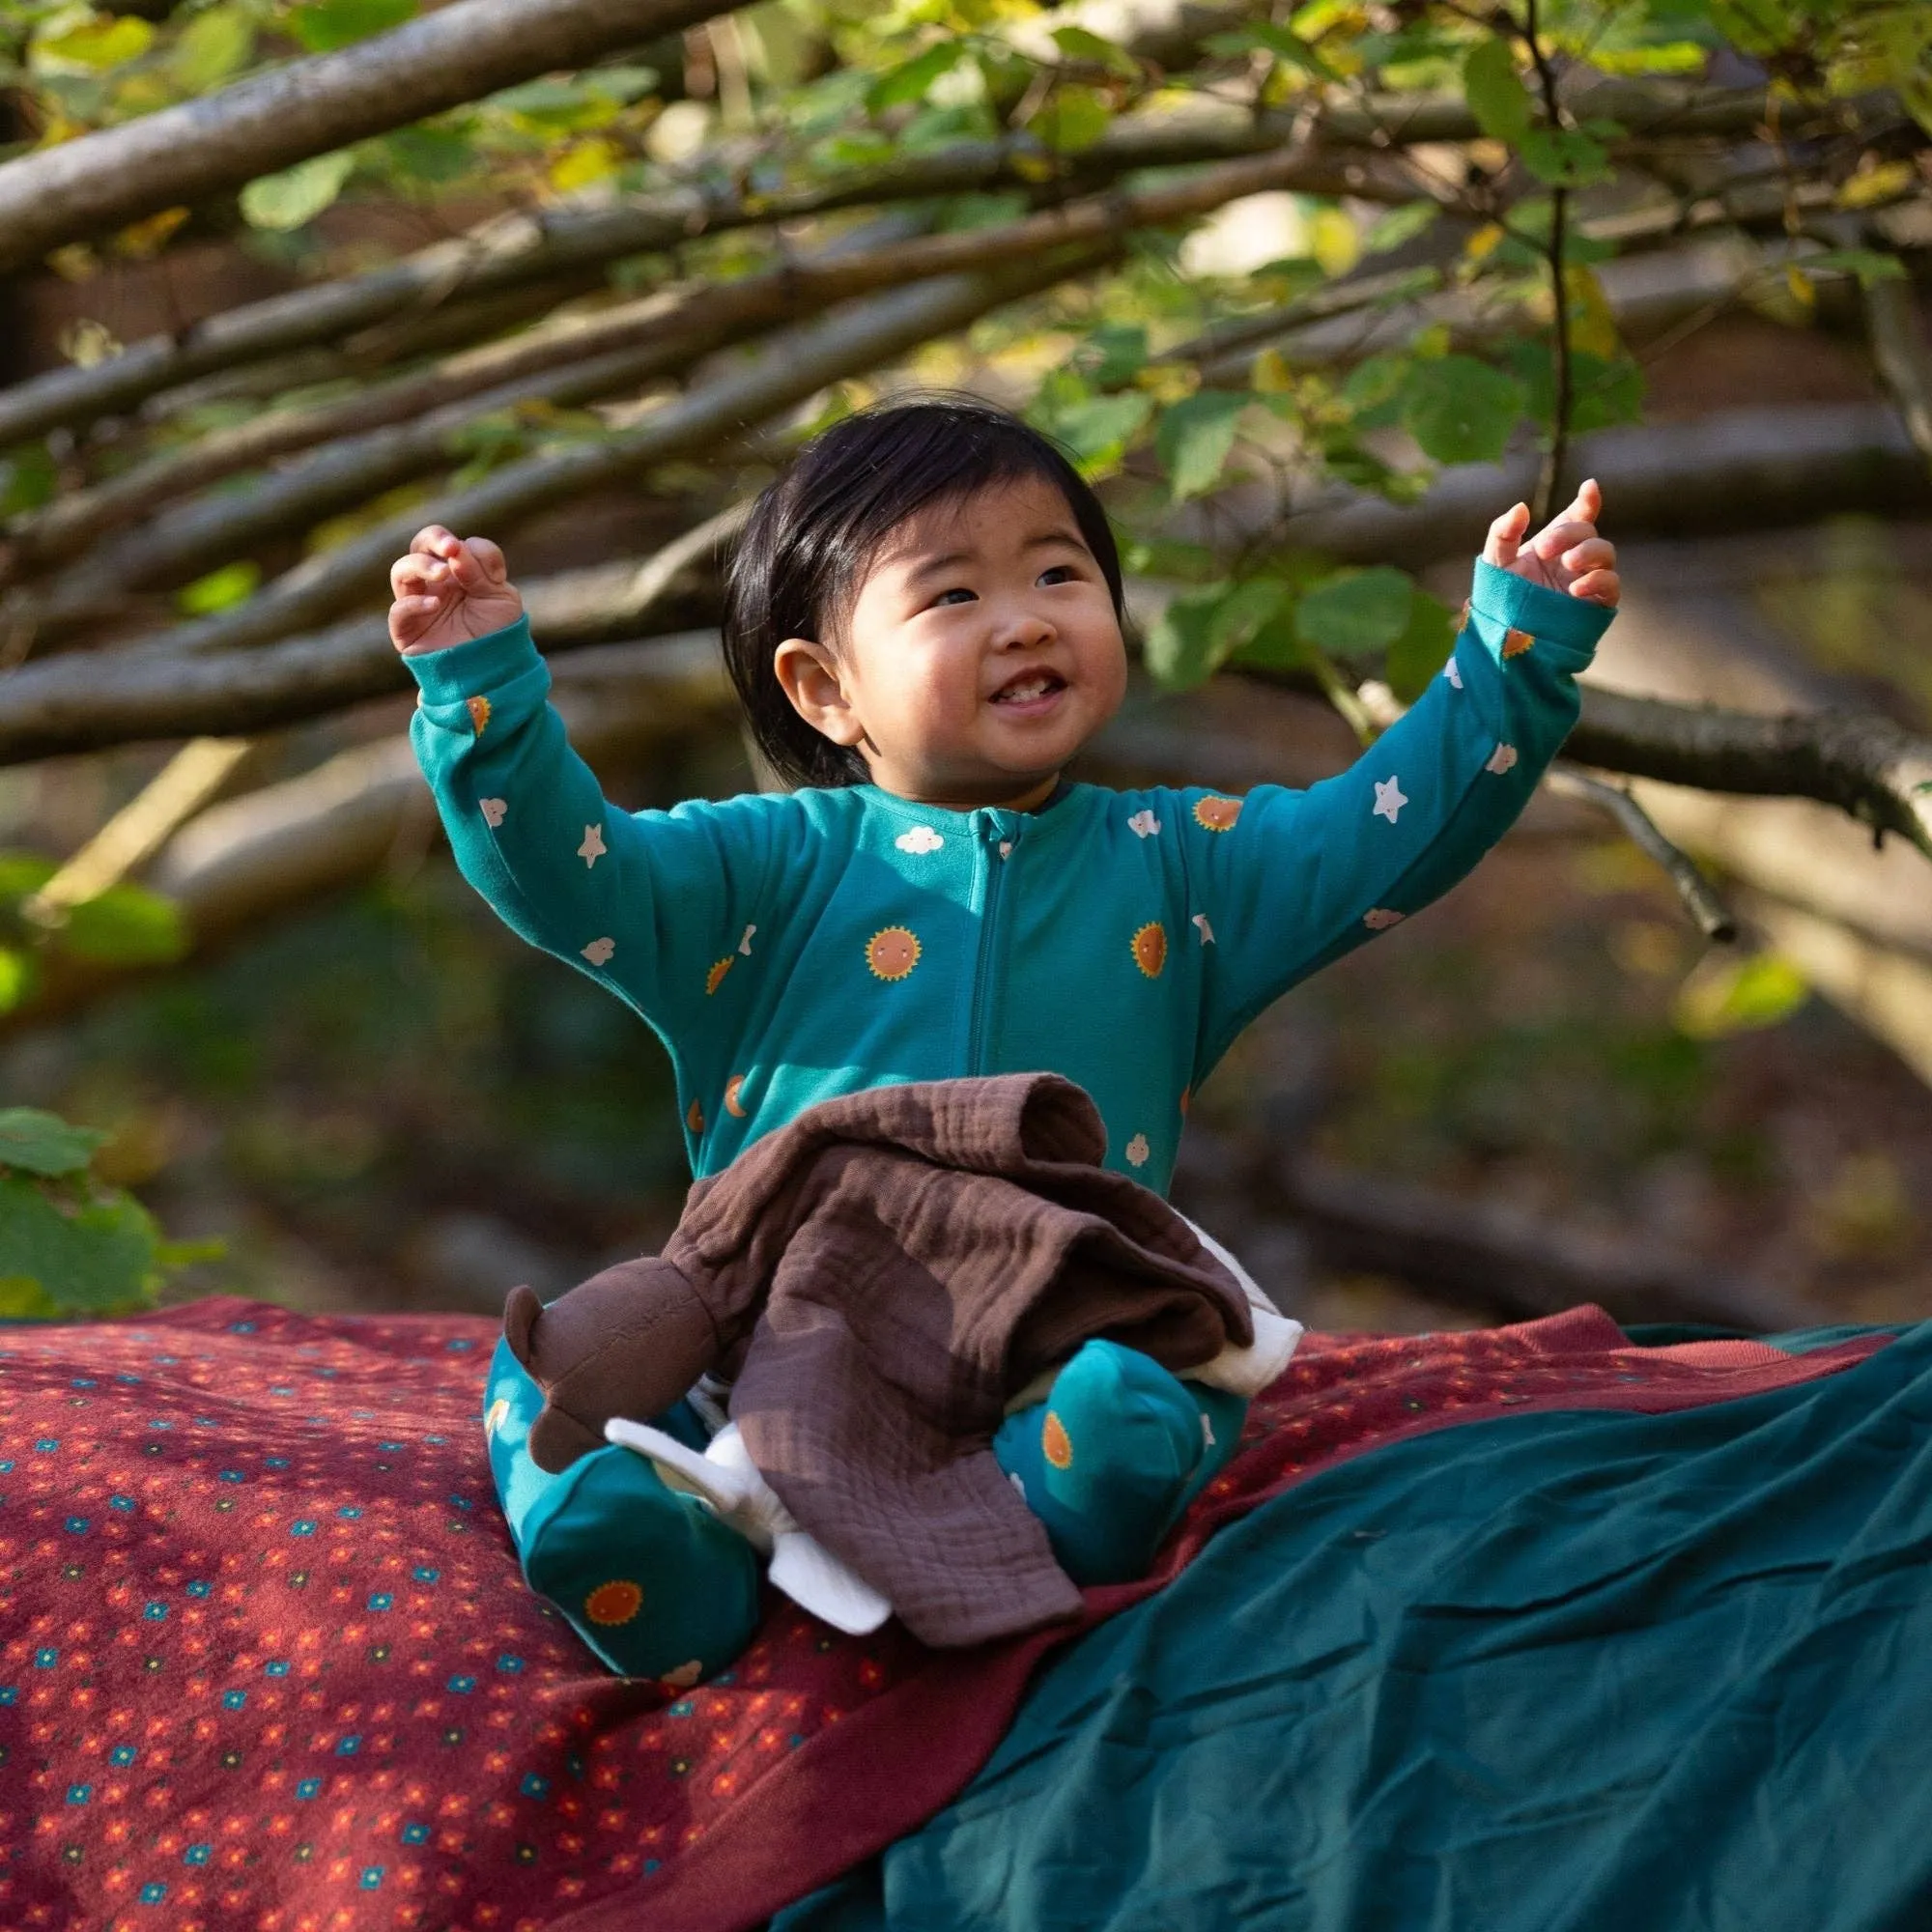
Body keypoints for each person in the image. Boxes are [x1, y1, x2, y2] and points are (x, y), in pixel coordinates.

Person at [391, 396, 1619, 1674]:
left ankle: (1048, 1508)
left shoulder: (1178, 868)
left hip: (1057, 1315)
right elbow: (565, 872)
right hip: (773, 1323)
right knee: (557, 1361)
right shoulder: (767, 870)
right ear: (823, 691)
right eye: (951, 597)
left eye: (1057, 573)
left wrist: (1512, 655)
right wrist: (485, 693)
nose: (1025, 617)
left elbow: (1382, 831)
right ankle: (654, 1559)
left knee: (1147, 1396)